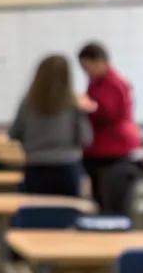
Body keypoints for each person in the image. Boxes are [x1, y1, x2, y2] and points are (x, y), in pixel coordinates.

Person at [8, 54, 91, 197]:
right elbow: (85, 138)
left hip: (36, 166)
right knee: (67, 214)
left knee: (38, 214)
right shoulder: (73, 103)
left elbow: (14, 133)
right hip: (67, 166)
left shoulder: (28, 102)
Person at [77, 41, 141, 214]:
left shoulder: (113, 84)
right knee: (100, 199)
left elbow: (108, 113)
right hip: (99, 150)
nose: (85, 71)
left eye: (86, 66)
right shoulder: (96, 82)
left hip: (112, 150)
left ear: (99, 62)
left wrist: (86, 106)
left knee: (111, 202)